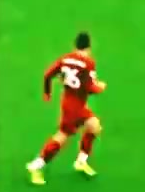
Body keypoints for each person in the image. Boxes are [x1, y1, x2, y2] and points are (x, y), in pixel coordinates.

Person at [27, 32, 107, 184]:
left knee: (94, 126)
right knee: (62, 137)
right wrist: (101, 87)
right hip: (75, 107)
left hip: (70, 103)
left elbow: (47, 74)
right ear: (89, 47)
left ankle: (81, 161)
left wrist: (47, 93)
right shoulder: (88, 63)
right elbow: (90, 88)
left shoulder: (65, 59)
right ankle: (36, 165)